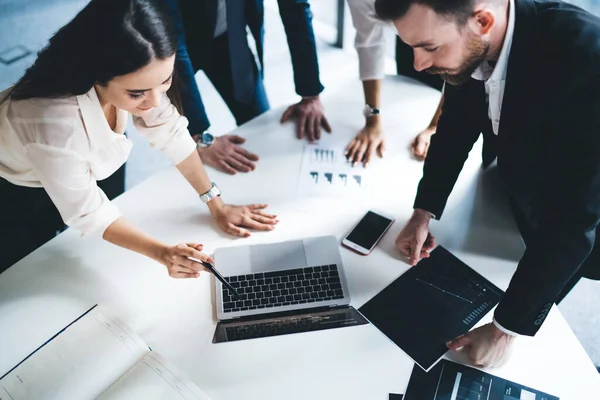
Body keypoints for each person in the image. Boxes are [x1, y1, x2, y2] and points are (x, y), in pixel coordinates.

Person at [374, 0, 600, 367]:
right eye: (411, 47)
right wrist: (424, 209)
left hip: (581, 225)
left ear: (483, 21)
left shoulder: (587, 60)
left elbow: (573, 220)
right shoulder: (470, 44)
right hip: (513, 191)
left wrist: (504, 328)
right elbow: (456, 124)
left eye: (429, 47)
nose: (419, 64)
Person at [0, 0, 278, 275]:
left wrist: (217, 206)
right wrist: (164, 253)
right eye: (137, 93)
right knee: (27, 272)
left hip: (89, 158)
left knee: (103, 246)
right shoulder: (52, 122)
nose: (155, 101)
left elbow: (170, 131)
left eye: (165, 81)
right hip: (15, 185)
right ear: (96, 75)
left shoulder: (142, 78)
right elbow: (90, 214)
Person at [162, 0, 331, 175]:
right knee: (183, 144)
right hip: (170, 39)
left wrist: (310, 93)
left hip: (229, 35)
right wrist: (199, 136)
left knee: (262, 127)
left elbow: (295, 7)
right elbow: (172, 41)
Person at [345, 0, 444, 165]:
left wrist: (436, 126)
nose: (419, 64)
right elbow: (369, 43)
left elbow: (467, 60)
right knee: (411, 75)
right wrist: (372, 119)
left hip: (457, 30)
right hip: (407, 31)